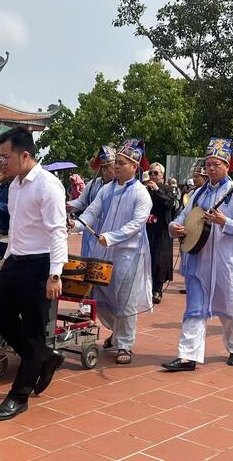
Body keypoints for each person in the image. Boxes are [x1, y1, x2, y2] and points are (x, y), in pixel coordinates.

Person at [0, 127, 68, 421]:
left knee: (34, 332)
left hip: (40, 266)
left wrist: (55, 275)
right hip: (15, 261)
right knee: (0, 319)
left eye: (5, 157)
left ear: (24, 155)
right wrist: (7, 258)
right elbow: (18, 227)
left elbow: (58, 232)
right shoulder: (16, 186)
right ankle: (44, 358)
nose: (2, 163)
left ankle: (19, 395)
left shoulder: (48, 186)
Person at [163, 138, 233, 371]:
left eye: (216, 164)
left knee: (231, 308)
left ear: (227, 165)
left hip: (224, 261)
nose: (211, 168)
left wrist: (225, 221)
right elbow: (182, 217)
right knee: (195, 308)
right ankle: (188, 356)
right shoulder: (198, 193)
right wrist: (175, 227)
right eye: (209, 164)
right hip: (199, 259)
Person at [72, 138, 153, 365]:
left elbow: (137, 224)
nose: (116, 166)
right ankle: (117, 333)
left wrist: (112, 237)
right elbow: (91, 213)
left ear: (134, 167)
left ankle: (125, 343)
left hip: (129, 254)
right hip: (103, 250)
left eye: (121, 163)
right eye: (116, 162)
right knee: (97, 293)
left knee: (125, 299)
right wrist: (76, 225)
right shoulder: (106, 190)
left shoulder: (141, 193)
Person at [67, 145, 116, 257]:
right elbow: (82, 202)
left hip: (109, 230)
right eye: (114, 168)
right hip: (91, 228)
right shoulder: (93, 184)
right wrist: (69, 205)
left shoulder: (118, 186)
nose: (117, 170)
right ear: (104, 169)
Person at [145, 161, 179, 303]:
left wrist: (157, 190)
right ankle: (145, 288)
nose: (153, 176)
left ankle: (157, 289)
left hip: (162, 230)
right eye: (151, 173)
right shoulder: (143, 189)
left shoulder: (167, 189)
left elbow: (169, 204)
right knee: (146, 258)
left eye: (156, 173)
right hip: (147, 229)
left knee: (159, 260)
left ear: (162, 175)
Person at [179, 159, 208, 293]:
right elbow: (184, 213)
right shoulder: (193, 193)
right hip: (191, 233)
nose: (194, 179)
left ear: (205, 177)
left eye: (197, 176)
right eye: (194, 176)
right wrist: (175, 225)